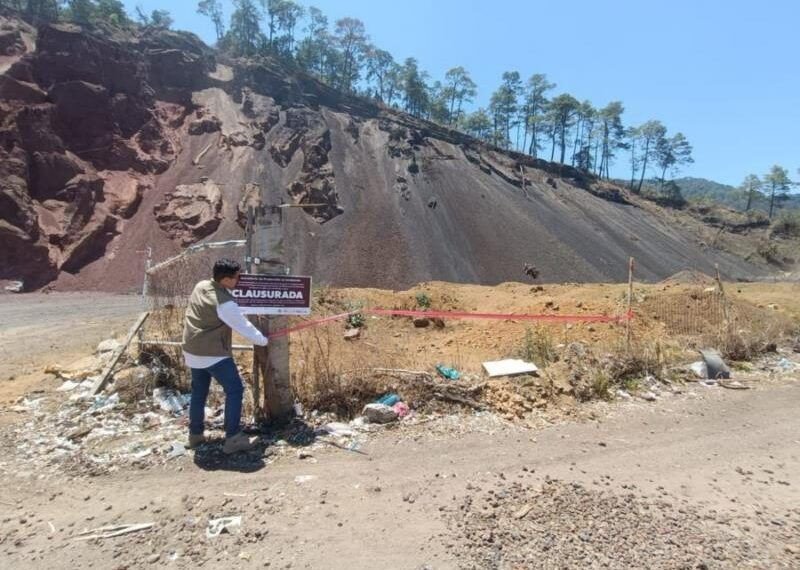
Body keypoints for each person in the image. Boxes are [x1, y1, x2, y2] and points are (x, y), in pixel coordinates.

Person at [182, 258, 268, 454]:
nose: (240, 279)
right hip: (212, 353)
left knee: (198, 392)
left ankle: (195, 435)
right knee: (235, 390)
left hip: (192, 350)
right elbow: (243, 326)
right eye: (237, 276)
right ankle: (233, 438)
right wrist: (263, 340)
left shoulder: (201, 286)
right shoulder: (225, 303)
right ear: (227, 280)